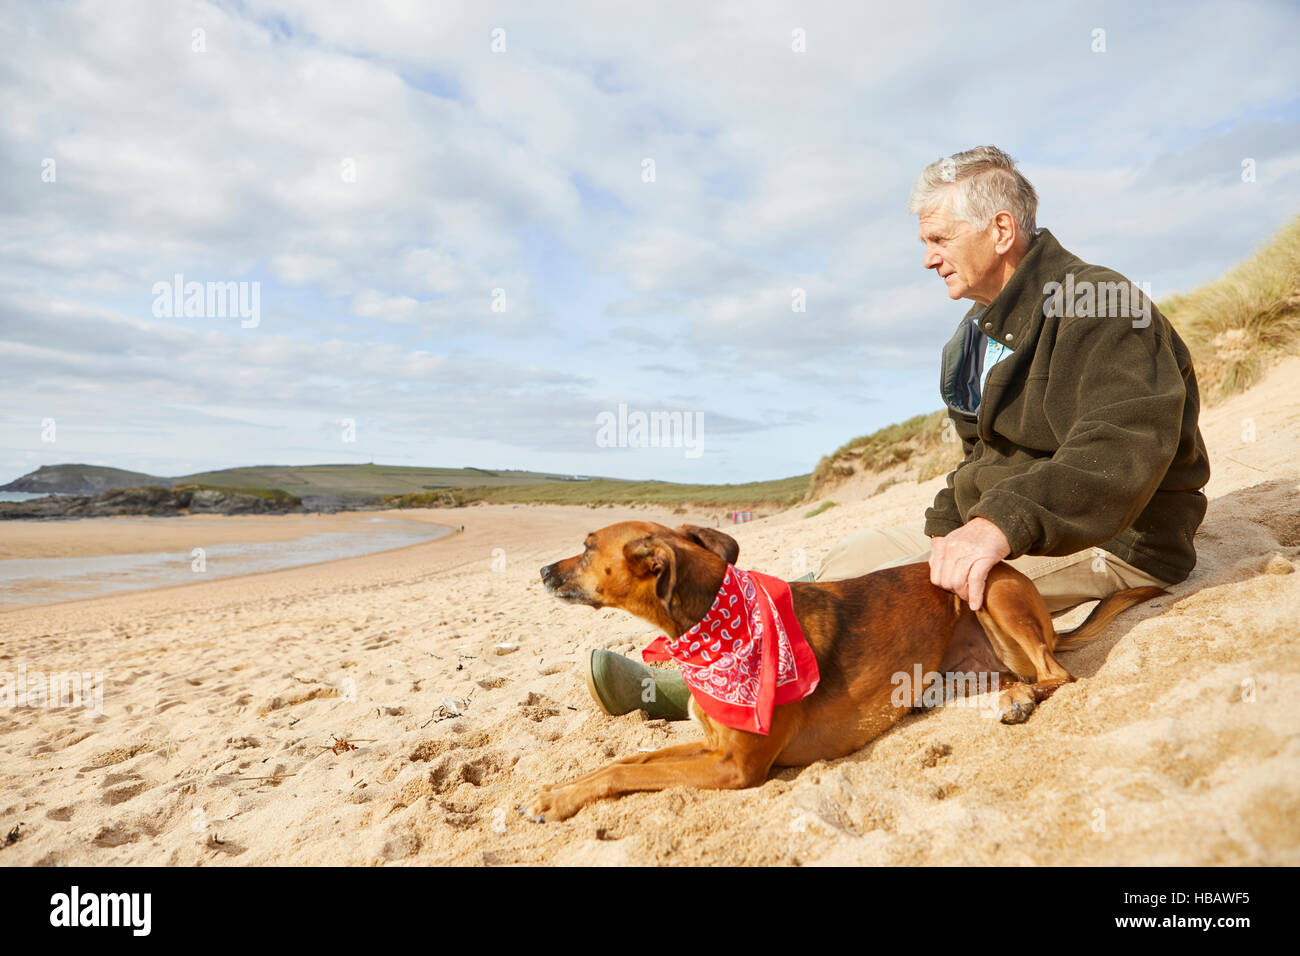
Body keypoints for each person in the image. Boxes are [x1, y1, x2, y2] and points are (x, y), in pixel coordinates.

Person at [585, 145, 1210, 719]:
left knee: (878, 612)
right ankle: (724, 667)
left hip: (1119, 534)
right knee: (835, 575)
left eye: (940, 237)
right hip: (1008, 518)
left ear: (1000, 229)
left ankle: (709, 697)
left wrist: (996, 527)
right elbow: (981, 462)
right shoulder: (968, 342)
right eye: (925, 239)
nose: (927, 256)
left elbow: (1122, 444)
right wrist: (947, 526)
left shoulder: (1097, 303)